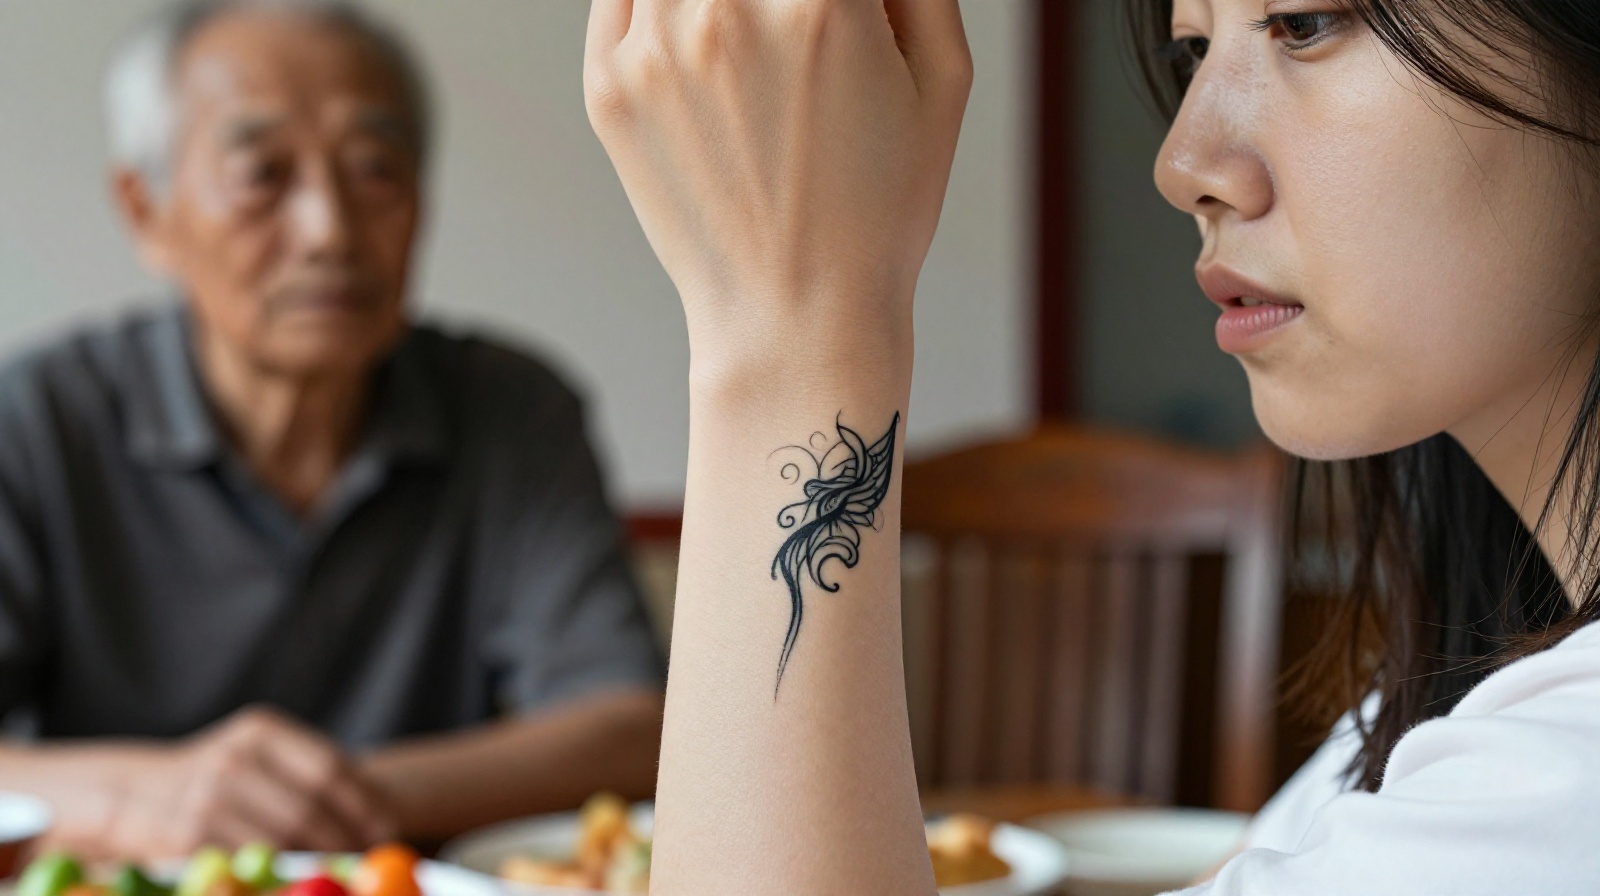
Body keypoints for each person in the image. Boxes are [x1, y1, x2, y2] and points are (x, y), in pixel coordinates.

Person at [581, 0, 1600, 892]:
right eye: (1193, 48)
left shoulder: (1561, 784)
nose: (1182, 164)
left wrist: (791, 333)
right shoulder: (1460, 716)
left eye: (1304, 22)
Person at [0, 0, 665, 861]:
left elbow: (630, 725)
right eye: (262, 174)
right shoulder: (36, 420)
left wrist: (333, 800)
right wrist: (145, 799)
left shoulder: (511, 410)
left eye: (376, 169)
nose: (329, 232)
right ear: (146, 212)